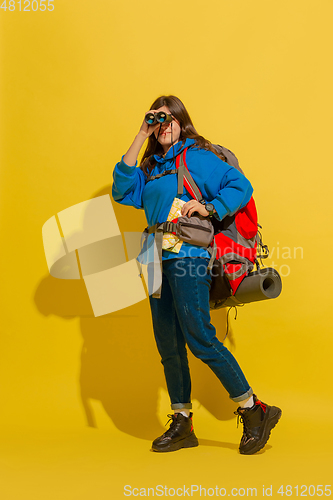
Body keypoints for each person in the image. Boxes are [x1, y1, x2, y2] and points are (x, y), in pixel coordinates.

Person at [112, 95, 281, 455]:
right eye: (158, 119)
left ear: (181, 121)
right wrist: (142, 133)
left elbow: (241, 186)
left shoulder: (196, 157)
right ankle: (182, 421)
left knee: (199, 337)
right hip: (155, 257)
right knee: (168, 345)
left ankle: (255, 410)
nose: (163, 124)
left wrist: (209, 207)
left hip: (188, 254)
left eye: (169, 118)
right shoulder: (153, 167)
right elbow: (122, 190)